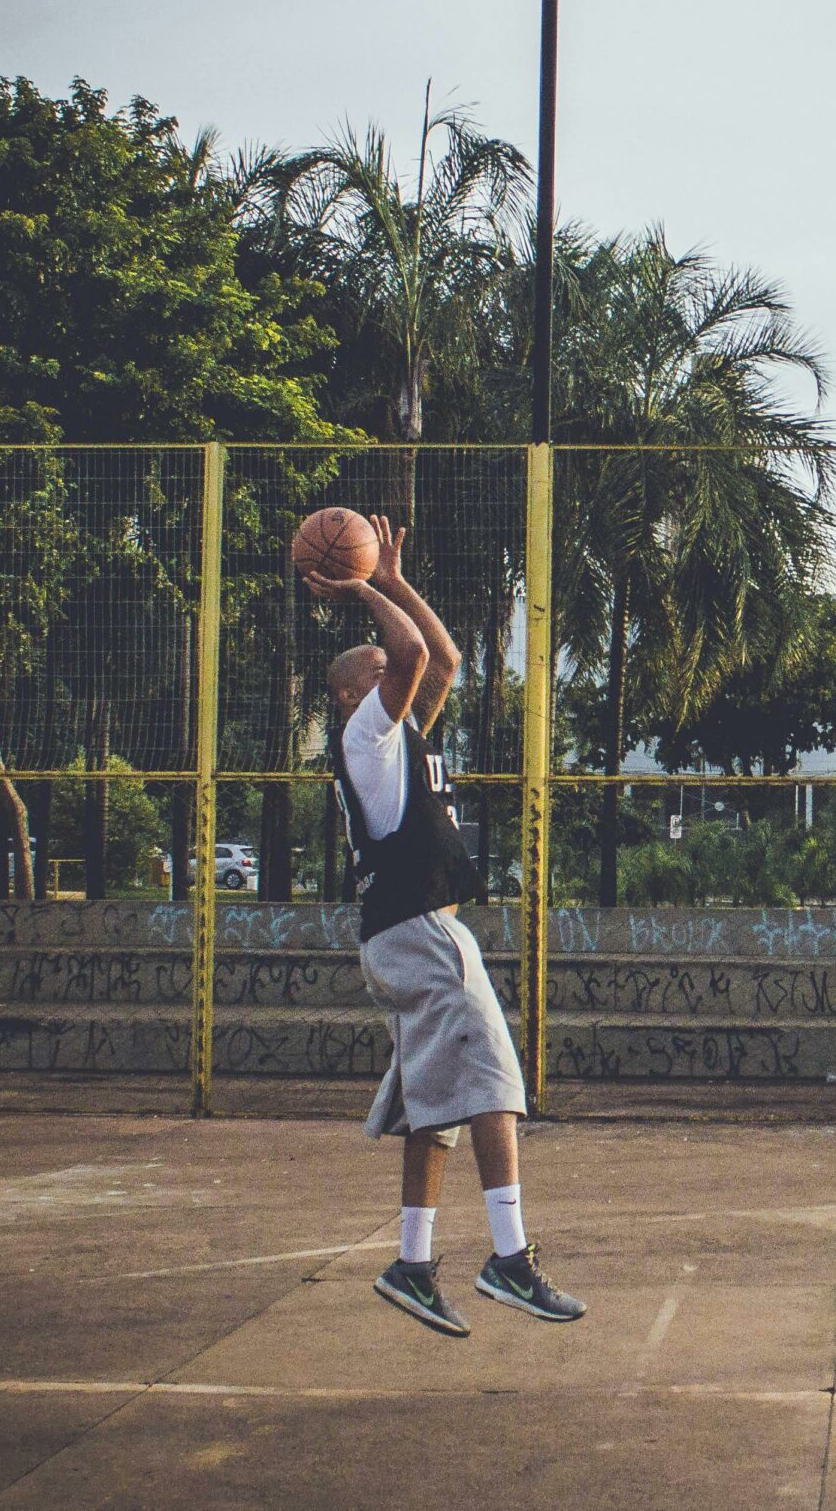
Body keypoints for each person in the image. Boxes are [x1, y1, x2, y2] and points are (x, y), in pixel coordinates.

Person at [310, 516, 585, 1337]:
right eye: (374, 660)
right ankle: (508, 1258)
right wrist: (355, 583)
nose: (387, 656)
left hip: (409, 931)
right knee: (496, 1081)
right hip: (418, 931)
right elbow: (415, 656)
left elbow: (444, 656)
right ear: (356, 692)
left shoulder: (401, 734)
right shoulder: (364, 735)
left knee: (440, 1108)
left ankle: (413, 1263)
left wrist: (390, 578)